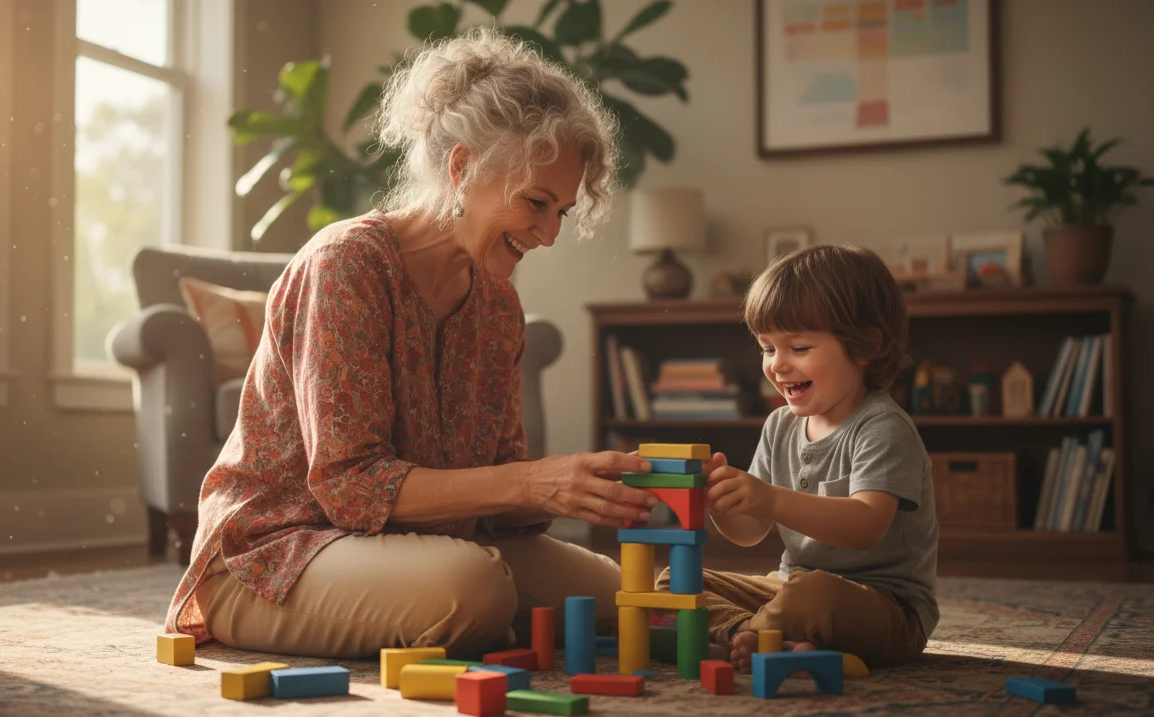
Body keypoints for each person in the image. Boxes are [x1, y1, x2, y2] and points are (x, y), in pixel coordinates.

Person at [164, 26, 660, 659]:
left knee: (622, 592)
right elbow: (349, 488)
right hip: (275, 555)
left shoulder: (500, 305)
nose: (548, 233)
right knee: (475, 591)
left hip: (425, 546)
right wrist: (530, 483)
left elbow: (499, 495)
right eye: (536, 203)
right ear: (462, 167)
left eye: (560, 211)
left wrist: (591, 485)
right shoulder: (347, 265)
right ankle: (471, 618)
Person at [657, 244, 939, 672]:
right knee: (672, 580)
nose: (778, 365)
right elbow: (750, 532)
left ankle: (746, 637)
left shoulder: (883, 427)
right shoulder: (780, 425)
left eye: (800, 348)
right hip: (789, 591)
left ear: (866, 346)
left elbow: (866, 526)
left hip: (885, 607)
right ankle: (759, 639)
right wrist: (721, 501)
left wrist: (768, 498)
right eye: (768, 348)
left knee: (813, 597)